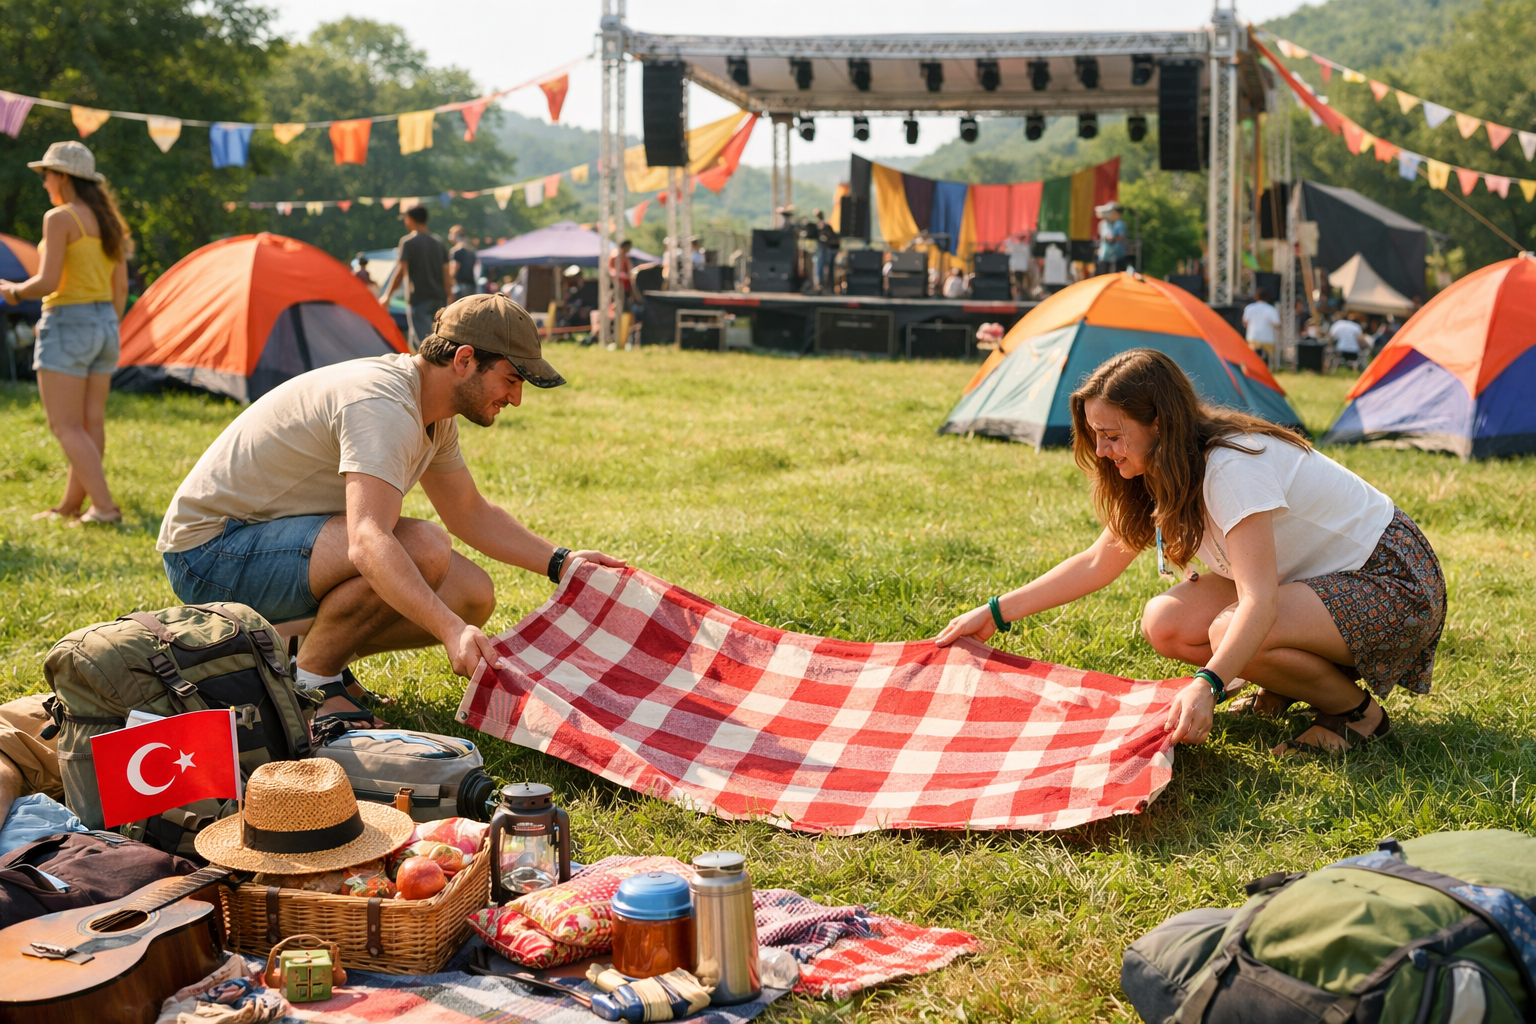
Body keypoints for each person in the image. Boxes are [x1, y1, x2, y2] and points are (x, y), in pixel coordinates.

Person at [934, 348, 1445, 755]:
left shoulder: (1229, 467)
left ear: (1158, 421)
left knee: (1229, 626)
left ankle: (1357, 716)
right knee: (1167, 620)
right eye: (1096, 436)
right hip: (1317, 582)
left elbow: (1259, 601)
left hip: (1391, 582)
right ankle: (1288, 686)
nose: (1104, 451)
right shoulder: (1159, 467)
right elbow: (1098, 562)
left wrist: (1208, 685)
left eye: (1113, 436)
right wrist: (994, 613)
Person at [157, 294, 625, 729]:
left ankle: (301, 655)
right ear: (464, 361)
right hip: (209, 554)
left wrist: (564, 563)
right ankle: (313, 686)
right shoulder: (384, 404)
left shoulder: (431, 411)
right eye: (511, 379)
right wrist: (448, 631)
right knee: (422, 547)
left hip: (264, 544)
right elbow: (367, 540)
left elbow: (469, 512)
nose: (516, 398)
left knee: (472, 594)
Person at [0, 141, 128, 525]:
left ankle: (104, 508)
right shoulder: (109, 223)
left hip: (68, 323)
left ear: (64, 177)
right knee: (91, 423)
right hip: (106, 324)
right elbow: (120, 288)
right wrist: (106, 325)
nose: (43, 183)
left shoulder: (59, 218)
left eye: (46, 175)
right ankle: (72, 506)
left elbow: (47, 281)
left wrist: (13, 292)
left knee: (66, 425)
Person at [380, 205, 451, 350]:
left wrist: (387, 295)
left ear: (410, 219)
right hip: (439, 298)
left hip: (419, 299)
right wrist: (450, 296)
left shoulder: (408, 242)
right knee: (438, 341)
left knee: (425, 346)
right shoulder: (439, 242)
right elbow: (446, 274)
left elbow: (400, 271)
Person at [1242, 288, 1281, 364]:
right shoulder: (1271, 309)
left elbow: (1244, 323)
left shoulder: (1249, 308)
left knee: (1253, 359)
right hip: (1267, 339)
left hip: (1253, 338)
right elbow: (1277, 324)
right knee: (1266, 361)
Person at [1095, 202, 1128, 275]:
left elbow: (1122, 237)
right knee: (1103, 276)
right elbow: (1102, 235)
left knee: (1117, 276)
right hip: (1105, 255)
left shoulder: (1120, 224)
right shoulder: (1102, 224)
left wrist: (1114, 239)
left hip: (1118, 256)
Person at [811, 210, 839, 294]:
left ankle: (827, 287)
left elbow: (830, 238)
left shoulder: (826, 226)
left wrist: (824, 238)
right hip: (824, 249)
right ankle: (821, 285)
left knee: (827, 269)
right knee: (821, 267)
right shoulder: (819, 225)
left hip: (829, 250)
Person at [447, 225, 478, 301]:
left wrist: (448, 282)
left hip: (459, 286)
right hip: (471, 285)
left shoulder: (456, 251)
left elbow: (454, 268)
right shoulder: (472, 250)